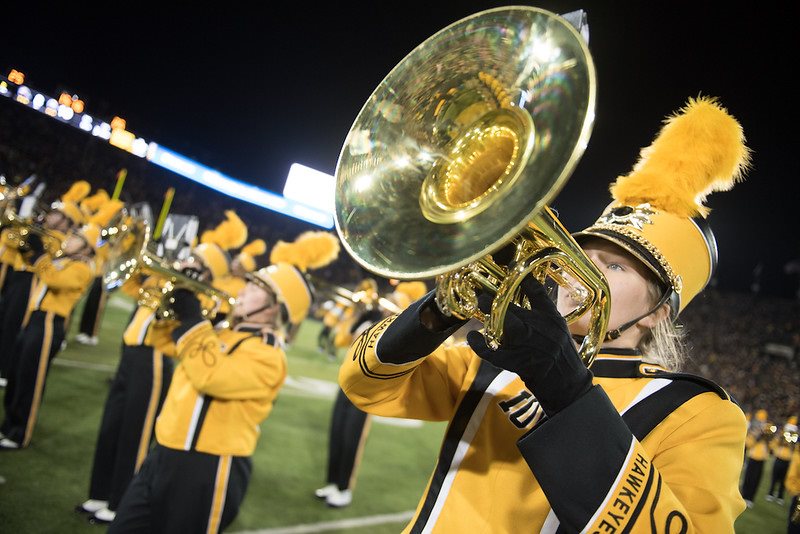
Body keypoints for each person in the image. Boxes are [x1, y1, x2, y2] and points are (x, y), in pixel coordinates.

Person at [338, 96, 751, 532]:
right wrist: (440, 312)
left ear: (657, 314)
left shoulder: (697, 413)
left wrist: (568, 392)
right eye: (582, 254)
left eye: (614, 266)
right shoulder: (493, 361)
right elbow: (363, 386)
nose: (581, 269)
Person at [108, 231, 339, 533]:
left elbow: (211, 377)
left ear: (275, 307)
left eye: (255, 288)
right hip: (162, 454)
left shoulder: (269, 356)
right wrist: (176, 294)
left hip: (208, 468)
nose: (242, 291)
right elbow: (160, 341)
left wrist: (193, 320)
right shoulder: (224, 331)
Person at [76, 216, 238, 525]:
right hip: (131, 356)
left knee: (134, 434)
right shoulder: (166, 280)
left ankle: (119, 501)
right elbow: (129, 286)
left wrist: (185, 291)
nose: (189, 259)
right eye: (192, 255)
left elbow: (180, 331)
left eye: (197, 260)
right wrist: (139, 261)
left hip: (153, 361)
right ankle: (98, 493)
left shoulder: (200, 297)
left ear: (207, 271)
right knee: (112, 426)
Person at [0, 198, 118, 449]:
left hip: (49, 324)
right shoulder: (63, 259)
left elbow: (53, 280)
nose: (70, 238)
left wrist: (40, 255)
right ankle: (8, 424)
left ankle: (20, 433)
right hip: (35, 319)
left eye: (77, 237)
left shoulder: (81, 269)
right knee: (18, 374)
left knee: (31, 379)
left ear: (86, 249)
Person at [316, 280, 428, 508]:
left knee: (352, 437)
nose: (387, 305)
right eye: (390, 301)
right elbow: (341, 341)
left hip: (370, 390)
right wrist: (357, 315)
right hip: (347, 383)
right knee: (337, 430)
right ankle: (331, 482)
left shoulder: (393, 330)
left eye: (395, 303)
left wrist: (395, 320)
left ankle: (344, 488)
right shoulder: (369, 319)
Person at [0, 180, 90, 385]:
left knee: (15, 324)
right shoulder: (41, 230)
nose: (50, 216)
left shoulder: (58, 239)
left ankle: (6, 369)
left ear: (66, 222)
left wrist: (32, 236)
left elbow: (44, 251)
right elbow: (10, 239)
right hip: (17, 276)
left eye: (57, 214)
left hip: (31, 282)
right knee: (5, 320)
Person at [742, 408, 771, 508]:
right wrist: (758, 436)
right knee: (748, 477)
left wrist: (767, 438)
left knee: (756, 479)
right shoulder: (753, 430)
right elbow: (748, 443)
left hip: (762, 458)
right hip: (753, 456)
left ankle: (750, 498)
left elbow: (771, 448)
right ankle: (744, 496)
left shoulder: (768, 430)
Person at [767, 416, 799, 505]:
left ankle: (780, 495)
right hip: (779, 458)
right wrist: (781, 439)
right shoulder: (781, 435)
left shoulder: (795, 438)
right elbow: (773, 444)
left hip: (788, 460)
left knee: (783, 479)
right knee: (774, 477)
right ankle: (771, 493)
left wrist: (791, 444)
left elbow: (795, 450)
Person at [785, 445, 800, 534]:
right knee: (795, 525)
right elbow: (792, 475)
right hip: (798, 494)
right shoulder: (797, 455)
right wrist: (794, 491)